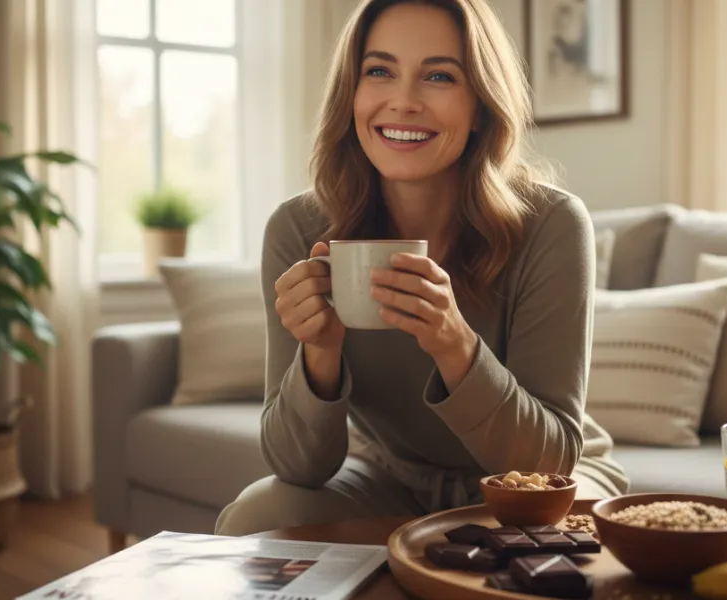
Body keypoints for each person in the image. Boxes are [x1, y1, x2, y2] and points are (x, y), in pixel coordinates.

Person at [214, 0, 628, 537]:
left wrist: (456, 345)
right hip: (390, 475)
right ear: (351, 94)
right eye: (379, 71)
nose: (403, 102)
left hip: (542, 480)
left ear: (480, 105)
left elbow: (546, 467)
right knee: (258, 515)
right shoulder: (298, 230)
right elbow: (298, 469)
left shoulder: (551, 224)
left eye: (438, 76)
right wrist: (320, 352)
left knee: (548, 540)